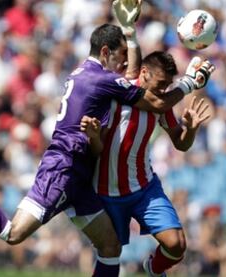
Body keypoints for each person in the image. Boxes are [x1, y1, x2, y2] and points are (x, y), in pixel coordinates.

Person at [0, 2, 214, 276]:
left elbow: (139, 83)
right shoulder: (101, 79)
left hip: (84, 178)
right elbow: (151, 96)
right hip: (61, 170)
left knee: (110, 248)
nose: (124, 64)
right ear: (104, 52)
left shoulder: (94, 76)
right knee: (13, 234)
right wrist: (189, 82)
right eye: (120, 57)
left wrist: (129, 33)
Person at [81, 51, 212, 277]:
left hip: (144, 188)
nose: (164, 90)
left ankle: (153, 268)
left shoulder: (161, 104)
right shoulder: (115, 93)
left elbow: (181, 144)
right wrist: (93, 137)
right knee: (109, 254)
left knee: (177, 245)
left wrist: (190, 130)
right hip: (107, 191)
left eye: (167, 85)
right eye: (161, 83)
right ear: (144, 72)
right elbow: (97, 148)